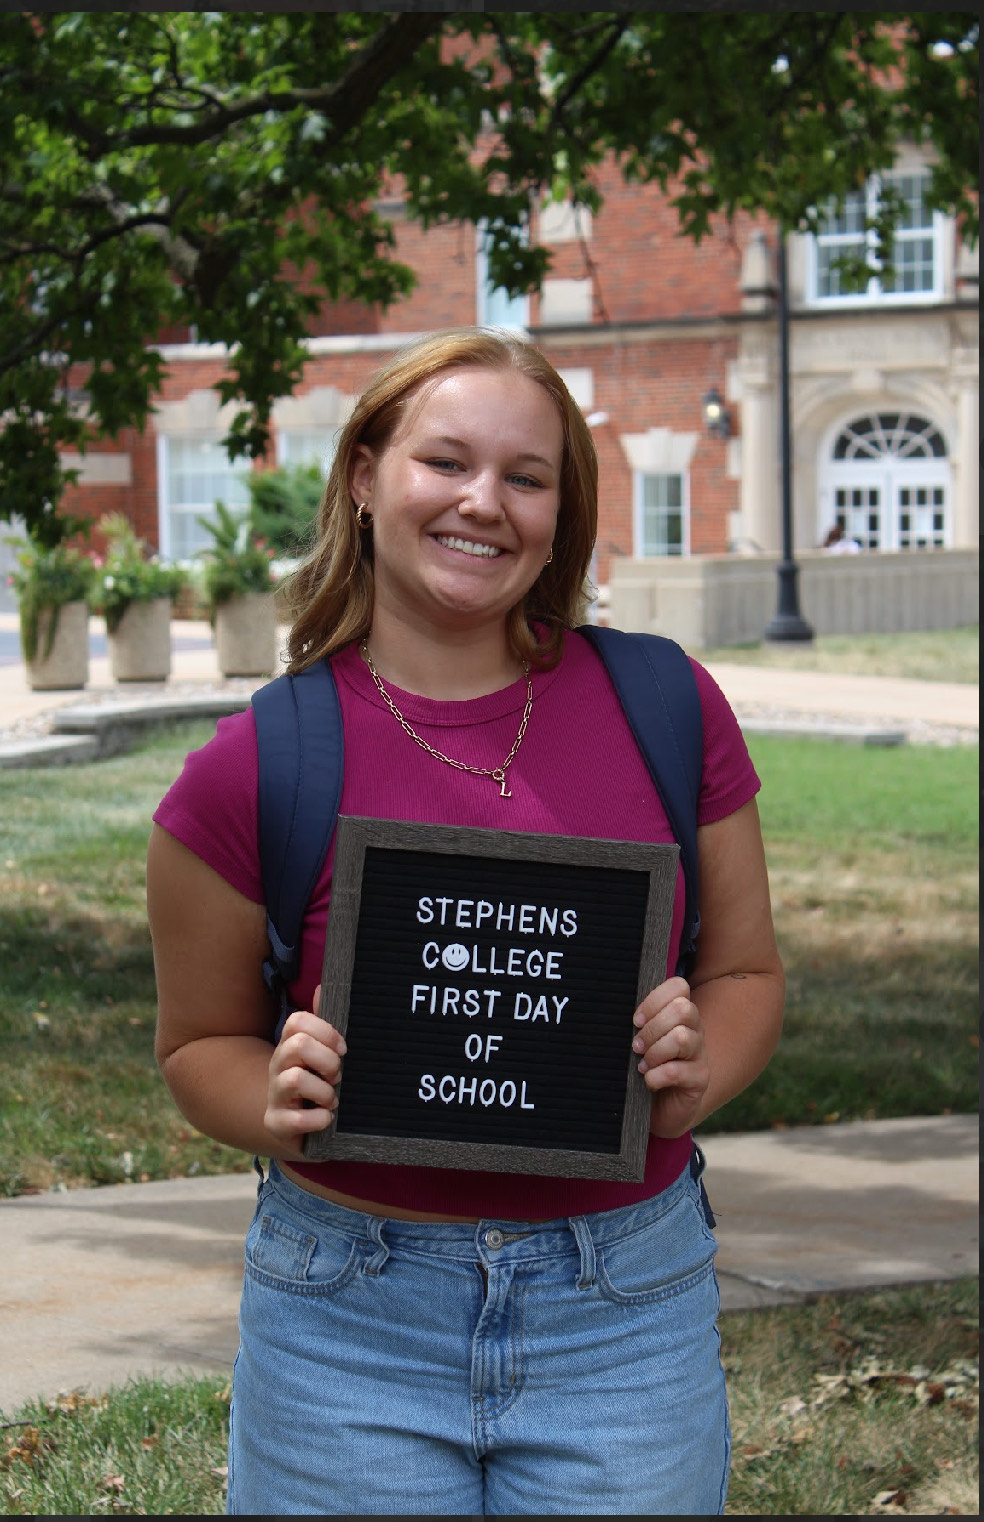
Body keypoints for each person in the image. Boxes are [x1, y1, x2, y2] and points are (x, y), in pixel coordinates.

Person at [147, 327, 784, 1517]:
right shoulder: (255, 766)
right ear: (366, 476)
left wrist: (702, 1065)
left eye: (526, 476)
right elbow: (197, 1047)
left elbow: (747, 970)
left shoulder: (665, 704)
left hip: (625, 1312)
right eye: (445, 462)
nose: (483, 503)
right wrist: (268, 1096)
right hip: (347, 1317)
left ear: (560, 511)